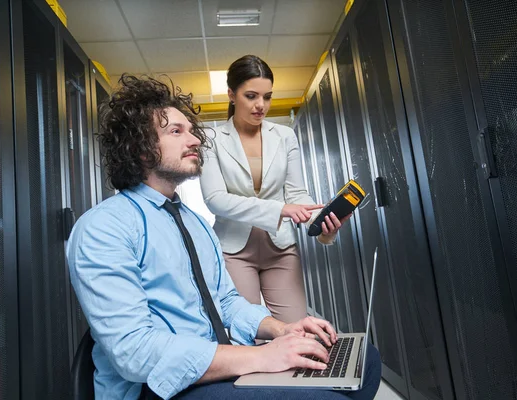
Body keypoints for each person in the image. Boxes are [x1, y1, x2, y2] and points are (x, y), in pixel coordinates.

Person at [66, 74, 381, 399]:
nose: (195, 141)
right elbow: (135, 352)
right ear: (141, 150)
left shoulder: (195, 224)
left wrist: (282, 329)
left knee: (363, 359)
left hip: (219, 367)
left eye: (191, 130)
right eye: (176, 131)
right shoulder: (104, 227)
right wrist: (261, 357)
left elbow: (226, 303)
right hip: (164, 387)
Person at [200, 55, 352, 323]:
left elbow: (296, 195)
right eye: (251, 96)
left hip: (281, 249)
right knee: (246, 333)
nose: (261, 105)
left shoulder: (284, 136)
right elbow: (216, 200)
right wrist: (281, 209)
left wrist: (323, 224)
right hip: (233, 251)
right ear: (231, 95)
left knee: (297, 329)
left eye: (267, 96)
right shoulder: (211, 140)